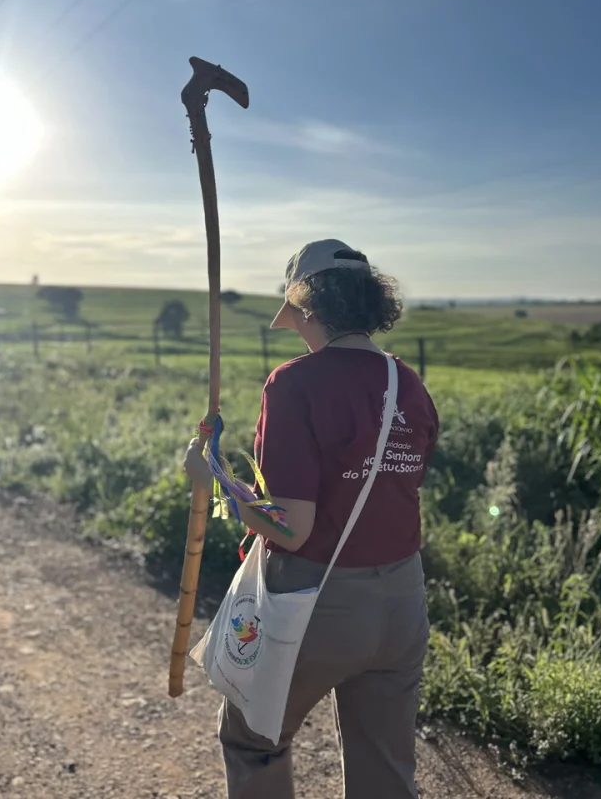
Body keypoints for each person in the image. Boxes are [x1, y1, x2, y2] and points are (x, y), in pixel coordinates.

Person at [184, 239, 438, 799]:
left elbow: (290, 525)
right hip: (401, 601)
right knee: (385, 771)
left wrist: (216, 477)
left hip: (317, 600)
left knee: (254, 743)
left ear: (307, 306)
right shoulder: (408, 383)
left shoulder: (295, 382)